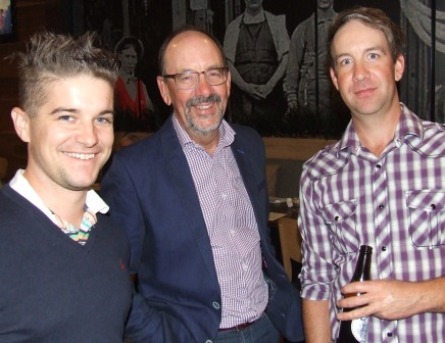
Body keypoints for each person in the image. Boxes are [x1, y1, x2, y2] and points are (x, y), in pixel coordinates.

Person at [101, 26, 303, 343]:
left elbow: (259, 240)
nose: (203, 89)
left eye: (213, 74)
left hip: (269, 326)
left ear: (228, 82)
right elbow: (113, 278)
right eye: (186, 77)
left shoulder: (249, 145)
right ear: (164, 90)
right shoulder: (132, 171)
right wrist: (161, 336)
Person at [298, 6, 445, 342]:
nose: (359, 73)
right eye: (346, 61)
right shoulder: (318, 175)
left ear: (398, 66)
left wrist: (410, 297)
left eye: (373, 56)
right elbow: (317, 285)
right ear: (335, 79)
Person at [0, 32, 132, 342]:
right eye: (67, 117)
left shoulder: (113, 235)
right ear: (23, 125)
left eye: (101, 119)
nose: (89, 137)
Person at [223, 0, 289, 136]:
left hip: (271, 100)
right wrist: (245, 87)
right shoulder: (233, 27)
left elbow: (286, 57)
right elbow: (227, 62)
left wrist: (269, 86)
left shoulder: (276, 23)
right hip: (242, 102)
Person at [284, 0, 346, 137]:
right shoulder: (303, 29)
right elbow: (293, 66)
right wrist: (291, 98)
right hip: (309, 97)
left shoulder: (344, 26)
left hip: (338, 96)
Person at [114, 35, 155, 133]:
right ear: (120, 57)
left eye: (133, 57)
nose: (130, 61)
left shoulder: (141, 85)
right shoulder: (113, 83)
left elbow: (150, 114)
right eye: (127, 56)